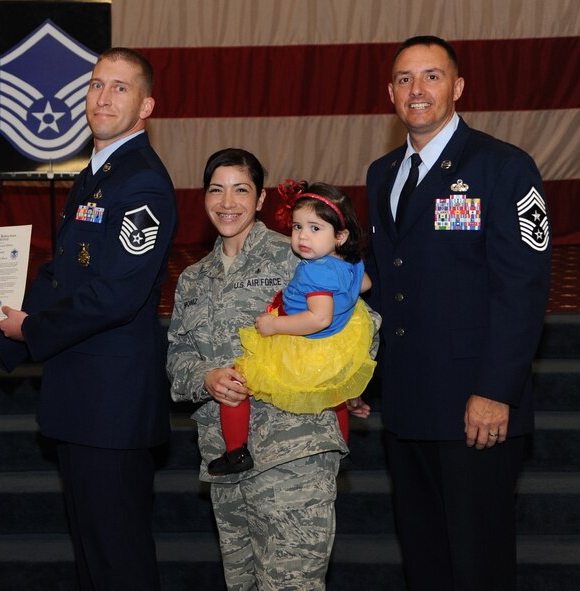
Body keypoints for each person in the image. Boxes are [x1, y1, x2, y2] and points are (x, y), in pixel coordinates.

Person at [0, 48, 177, 590]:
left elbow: (115, 296)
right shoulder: (95, 177)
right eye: (97, 84)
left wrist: (28, 330)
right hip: (82, 402)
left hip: (112, 407)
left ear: (146, 106)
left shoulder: (140, 182)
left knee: (118, 560)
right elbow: (59, 280)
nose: (103, 96)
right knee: (94, 560)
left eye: (120, 88)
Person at [364, 36, 551, 590]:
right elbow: (386, 284)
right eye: (404, 79)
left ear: (458, 87)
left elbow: (523, 289)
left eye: (431, 76)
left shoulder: (504, 167)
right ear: (391, 92)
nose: (416, 90)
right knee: (424, 560)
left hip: (477, 407)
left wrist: (497, 390)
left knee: (477, 564)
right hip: (407, 403)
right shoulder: (382, 173)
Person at [167, 148, 352, 590]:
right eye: (216, 190)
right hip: (224, 459)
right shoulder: (193, 277)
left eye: (240, 190)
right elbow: (176, 360)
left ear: (261, 198)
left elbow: (358, 327)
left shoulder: (298, 253)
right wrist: (206, 378)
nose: (227, 202)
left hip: (293, 453)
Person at [208, 180, 377, 475]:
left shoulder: (316, 271)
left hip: (307, 342)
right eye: (298, 227)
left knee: (238, 381)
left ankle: (235, 451)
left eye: (315, 228)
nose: (302, 237)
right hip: (338, 342)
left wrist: (274, 325)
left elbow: (318, 318)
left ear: (340, 235)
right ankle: (342, 446)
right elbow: (365, 285)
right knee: (333, 391)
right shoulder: (350, 262)